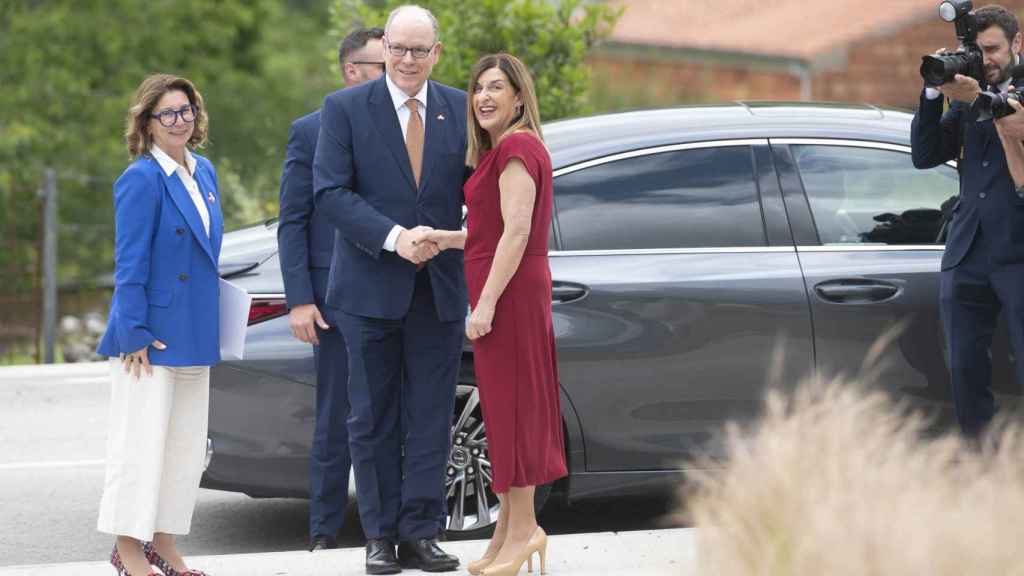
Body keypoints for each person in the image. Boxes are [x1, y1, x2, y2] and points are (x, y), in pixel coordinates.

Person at [312, 5, 467, 574]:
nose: (406, 60)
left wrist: (459, 234)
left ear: (436, 53)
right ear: (383, 50)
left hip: (440, 290)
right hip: (371, 289)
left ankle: (422, 533)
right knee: (371, 418)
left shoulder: (458, 108)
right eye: (396, 49)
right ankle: (378, 536)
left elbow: (481, 186)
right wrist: (396, 238)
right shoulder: (346, 109)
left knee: (430, 416)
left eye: (417, 51)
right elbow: (330, 194)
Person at [424, 53, 567, 576]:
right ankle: (509, 531)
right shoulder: (508, 148)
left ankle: (525, 530)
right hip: (506, 290)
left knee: (515, 412)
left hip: (508, 298)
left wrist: (484, 305)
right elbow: (493, 231)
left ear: (519, 98)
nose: (483, 97)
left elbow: (518, 233)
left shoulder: (514, 147)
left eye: (496, 88)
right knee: (506, 411)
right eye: (478, 88)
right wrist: (448, 239)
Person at [95, 74, 222, 576]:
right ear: (147, 123)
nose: (180, 120)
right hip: (148, 337)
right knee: (139, 448)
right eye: (167, 113)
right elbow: (128, 263)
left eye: (186, 109)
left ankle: (163, 544)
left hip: (195, 330)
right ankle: (127, 551)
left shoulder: (205, 171)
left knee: (184, 450)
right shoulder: (141, 178)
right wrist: (134, 332)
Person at [277, 26, 385, 553]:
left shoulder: (403, 128)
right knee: (335, 417)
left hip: (390, 294)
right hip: (331, 300)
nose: (395, 73)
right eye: (383, 65)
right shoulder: (310, 131)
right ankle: (323, 531)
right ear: (352, 70)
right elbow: (292, 221)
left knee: (388, 414)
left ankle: (383, 531)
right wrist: (300, 298)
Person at [912, 4, 1024, 438]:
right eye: (977, 51)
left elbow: (1011, 116)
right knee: (964, 370)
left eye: (993, 49)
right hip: (968, 251)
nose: (985, 59)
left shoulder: (1002, 90)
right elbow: (925, 156)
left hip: (1018, 250)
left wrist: (975, 96)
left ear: (1016, 44)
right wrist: (932, 92)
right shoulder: (966, 94)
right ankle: (982, 464)